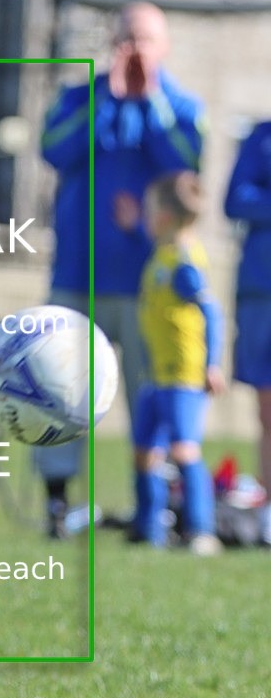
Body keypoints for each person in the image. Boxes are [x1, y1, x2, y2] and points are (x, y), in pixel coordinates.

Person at [37, 2, 205, 537]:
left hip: (145, 287)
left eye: (146, 39)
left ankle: (151, 513)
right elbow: (53, 150)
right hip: (76, 276)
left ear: (165, 46)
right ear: (112, 43)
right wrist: (108, 94)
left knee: (149, 398)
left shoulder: (178, 106)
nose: (135, 49)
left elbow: (186, 163)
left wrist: (147, 98)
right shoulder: (79, 97)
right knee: (61, 392)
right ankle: (58, 507)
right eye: (127, 38)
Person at [133, 171, 224, 554]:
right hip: (156, 371)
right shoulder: (162, 253)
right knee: (145, 451)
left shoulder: (185, 262)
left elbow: (211, 313)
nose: (145, 217)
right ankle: (149, 527)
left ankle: (201, 530)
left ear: (166, 217)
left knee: (185, 449)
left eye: (149, 211)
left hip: (184, 373)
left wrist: (212, 364)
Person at [224, 120, 271, 542]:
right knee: (268, 409)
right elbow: (235, 200)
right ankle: (269, 510)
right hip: (262, 289)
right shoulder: (261, 137)